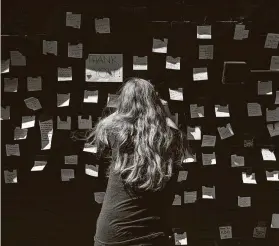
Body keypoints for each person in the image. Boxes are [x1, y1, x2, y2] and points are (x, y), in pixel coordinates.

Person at [80, 78, 186, 246]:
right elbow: (176, 131)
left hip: (112, 232)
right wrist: (163, 110)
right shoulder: (169, 137)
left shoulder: (114, 133)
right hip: (152, 232)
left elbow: (107, 122)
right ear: (154, 101)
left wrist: (126, 105)